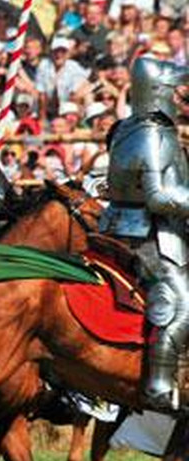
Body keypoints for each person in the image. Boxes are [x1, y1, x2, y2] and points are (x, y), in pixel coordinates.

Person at [100, 57, 189, 412]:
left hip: (126, 224)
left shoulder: (127, 128)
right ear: (158, 93)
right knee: (183, 307)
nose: (181, 100)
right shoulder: (154, 135)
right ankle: (158, 386)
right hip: (146, 233)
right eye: (176, 93)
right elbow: (156, 196)